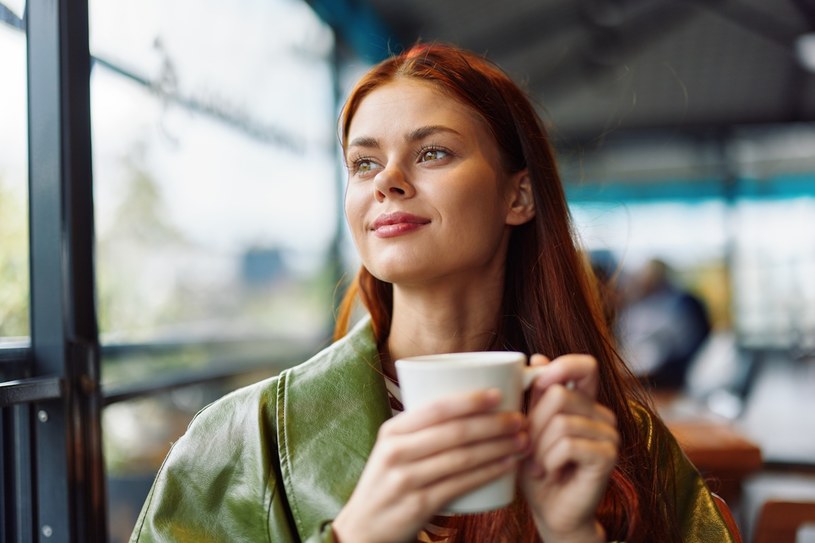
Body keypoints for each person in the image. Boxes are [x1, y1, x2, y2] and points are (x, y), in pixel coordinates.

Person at [130, 43, 736, 542]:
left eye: (432, 152)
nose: (388, 181)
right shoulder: (236, 440)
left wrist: (573, 534)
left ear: (518, 197)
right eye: (364, 164)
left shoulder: (625, 444)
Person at [616, 258, 712, 390]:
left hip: (675, 374)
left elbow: (675, 344)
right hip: (648, 372)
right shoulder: (639, 305)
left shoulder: (681, 304)